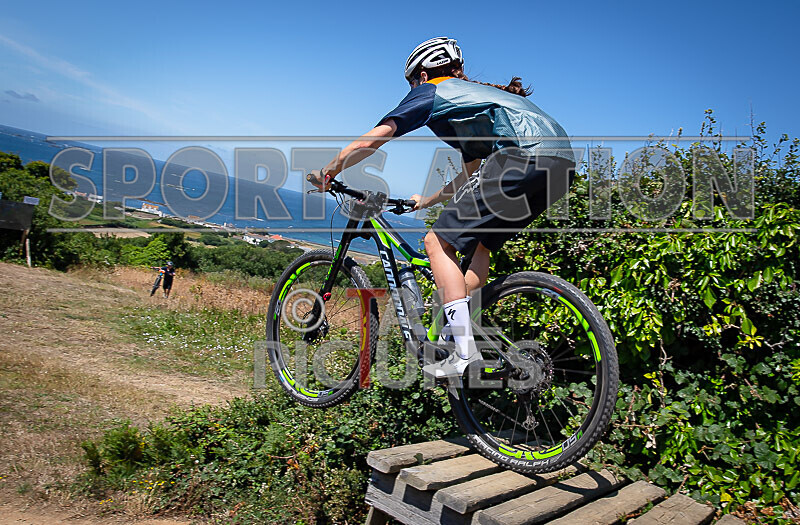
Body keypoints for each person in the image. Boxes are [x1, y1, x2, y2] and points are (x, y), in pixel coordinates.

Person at [309, 37, 575, 380]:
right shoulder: (476, 103)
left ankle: (464, 351)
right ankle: (455, 334)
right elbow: (470, 177)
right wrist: (427, 200)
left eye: (411, 82)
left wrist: (329, 171)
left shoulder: (433, 90)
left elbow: (372, 140)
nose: (412, 89)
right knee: (480, 246)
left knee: (436, 242)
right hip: (561, 165)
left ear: (421, 75)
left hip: (521, 156)